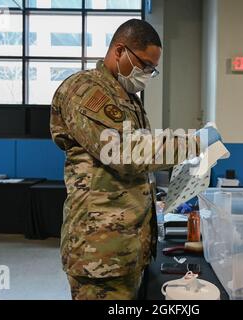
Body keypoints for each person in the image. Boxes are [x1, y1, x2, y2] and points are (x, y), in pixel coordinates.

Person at [50, 19, 216, 300]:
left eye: (153, 68)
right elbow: (125, 152)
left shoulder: (125, 97)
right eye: (145, 65)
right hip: (99, 253)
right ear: (119, 51)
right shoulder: (86, 91)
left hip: (126, 248)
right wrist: (194, 143)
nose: (148, 74)